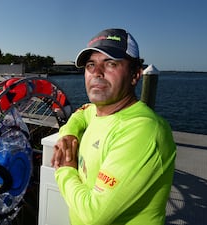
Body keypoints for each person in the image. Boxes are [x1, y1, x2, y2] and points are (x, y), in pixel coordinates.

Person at [51, 28, 176, 225]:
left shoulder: (143, 131)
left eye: (111, 63)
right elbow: (80, 114)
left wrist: (65, 168)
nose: (97, 73)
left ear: (135, 75)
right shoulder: (99, 110)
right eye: (91, 64)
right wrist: (69, 134)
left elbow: (93, 215)